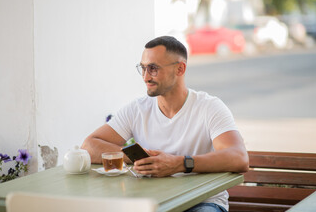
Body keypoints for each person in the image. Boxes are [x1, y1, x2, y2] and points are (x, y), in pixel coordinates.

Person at [81, 36, 249, 212]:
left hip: (202, 203)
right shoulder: (137, 109)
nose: (146, 77)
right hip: (154, 202)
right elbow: (89, 146)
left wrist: (180, 163)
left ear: (180, 69)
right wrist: (141, 158)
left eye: (153, 68)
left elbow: (239, 158)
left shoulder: (209, 107)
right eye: (143, 68)